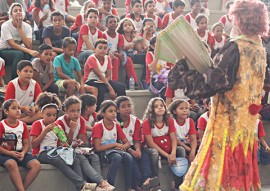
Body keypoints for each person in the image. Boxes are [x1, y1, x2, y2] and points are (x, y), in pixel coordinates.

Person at [177, 0, 269, 190]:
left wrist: (185, 72)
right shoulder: (260, 50)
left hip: (226, 124)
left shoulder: (235, 47)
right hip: (246, 125)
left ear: (240, 19)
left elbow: (212, 85)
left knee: (217, 176)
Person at [55, 96, 115, 191]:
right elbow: (64, 144)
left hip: (75, 148)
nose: (76, 114)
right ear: (66, 110)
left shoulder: (81, 120)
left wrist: (81, 144)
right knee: (81, 159)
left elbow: (82, 138)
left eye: (78, 111)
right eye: (72, 111)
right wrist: (72, 130)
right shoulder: (60, 122)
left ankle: (97, 186)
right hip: (63, 150)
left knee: (94, 157)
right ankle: (100, 182)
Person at [115, 96, 160, 191]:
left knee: (144, 157)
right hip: (122, 148)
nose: (127, 108)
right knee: (133, 163)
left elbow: (136, 139)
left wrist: (138, 150)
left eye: (129, 106)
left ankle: (147, 180)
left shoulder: (134, 120)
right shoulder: (116, 122)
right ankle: (140, 185)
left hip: (134, 146)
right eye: (123, 107)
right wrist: (131, 151)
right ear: (118, 110)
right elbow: (118, 141)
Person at [92, 100, 133, 191]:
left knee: (128, 157)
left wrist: (123, 146)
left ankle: (129, 187)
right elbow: (97, 148)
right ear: (103, 113)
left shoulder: (116, 125)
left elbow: (127, 143)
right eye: (110, 111)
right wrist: (114, 144)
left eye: (115, 111)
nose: (114, 114)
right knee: (117, 157)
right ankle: (109, 185)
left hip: (113, 150)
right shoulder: (98, 126)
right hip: (102, 153)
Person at [142, 97, 182, 190]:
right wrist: (168, 156)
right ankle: (156, 183)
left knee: (181, 150)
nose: (160, 108)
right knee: (154, 153)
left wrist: (173, 153)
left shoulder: (170, 120)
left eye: (161, 106)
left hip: (167, 147)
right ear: (152, 109)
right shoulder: (147, 122)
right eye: (156, 106)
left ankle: (177, 184)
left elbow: (173, 139)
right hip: (153, 148)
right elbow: (150, 143)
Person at [0, 99, 41, 191]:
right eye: (14, 108)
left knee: (36, 165)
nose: (18, 110)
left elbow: (26, 143)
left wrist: (23, 153)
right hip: (4, 154)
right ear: (6, 111)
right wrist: (10, 153)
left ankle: (21, 189)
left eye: (19, 108)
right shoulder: (2, 125)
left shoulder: (23, 125)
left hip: (20, 153)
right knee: (12, 164)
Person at [84, 39, 126, 111]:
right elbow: (100, 75)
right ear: (95, 49)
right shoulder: (91, 59)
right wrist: (110, 88)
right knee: (101, 87)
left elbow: (109, 75)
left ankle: (121, 110)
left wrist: (106, 82)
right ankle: (98, 111)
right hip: (91, 80)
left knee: (120, 86)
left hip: (103, 80)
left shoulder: (108, 58)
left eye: (105, 48)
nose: (102, 50)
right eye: (100, 48)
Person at [0, 3, 39, 79]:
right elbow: (12, 44)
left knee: (30, 56)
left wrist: (19, 29)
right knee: (20, 54)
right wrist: (29, 51)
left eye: (20, 10)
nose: (18, 12)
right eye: (15, 11)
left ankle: (28, 78)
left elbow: (29, 45)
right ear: (11, 14)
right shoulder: (5, 25)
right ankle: (14, 80)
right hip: (4, 51)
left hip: (19, 50)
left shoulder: (27, 27)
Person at [103, 15, 138, 85]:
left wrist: (121, 55)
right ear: (106, 25)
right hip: (106, 54)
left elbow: (120, 49)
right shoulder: (103, 35)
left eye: (115, 22)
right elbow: (104, 48)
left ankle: (133, 81)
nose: (113, 23)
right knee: (116, 60)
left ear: (117, 24)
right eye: (110, 22)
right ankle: (114, 81)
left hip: (117, 54)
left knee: (128, 59)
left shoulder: (119, 36)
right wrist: (118, 55)